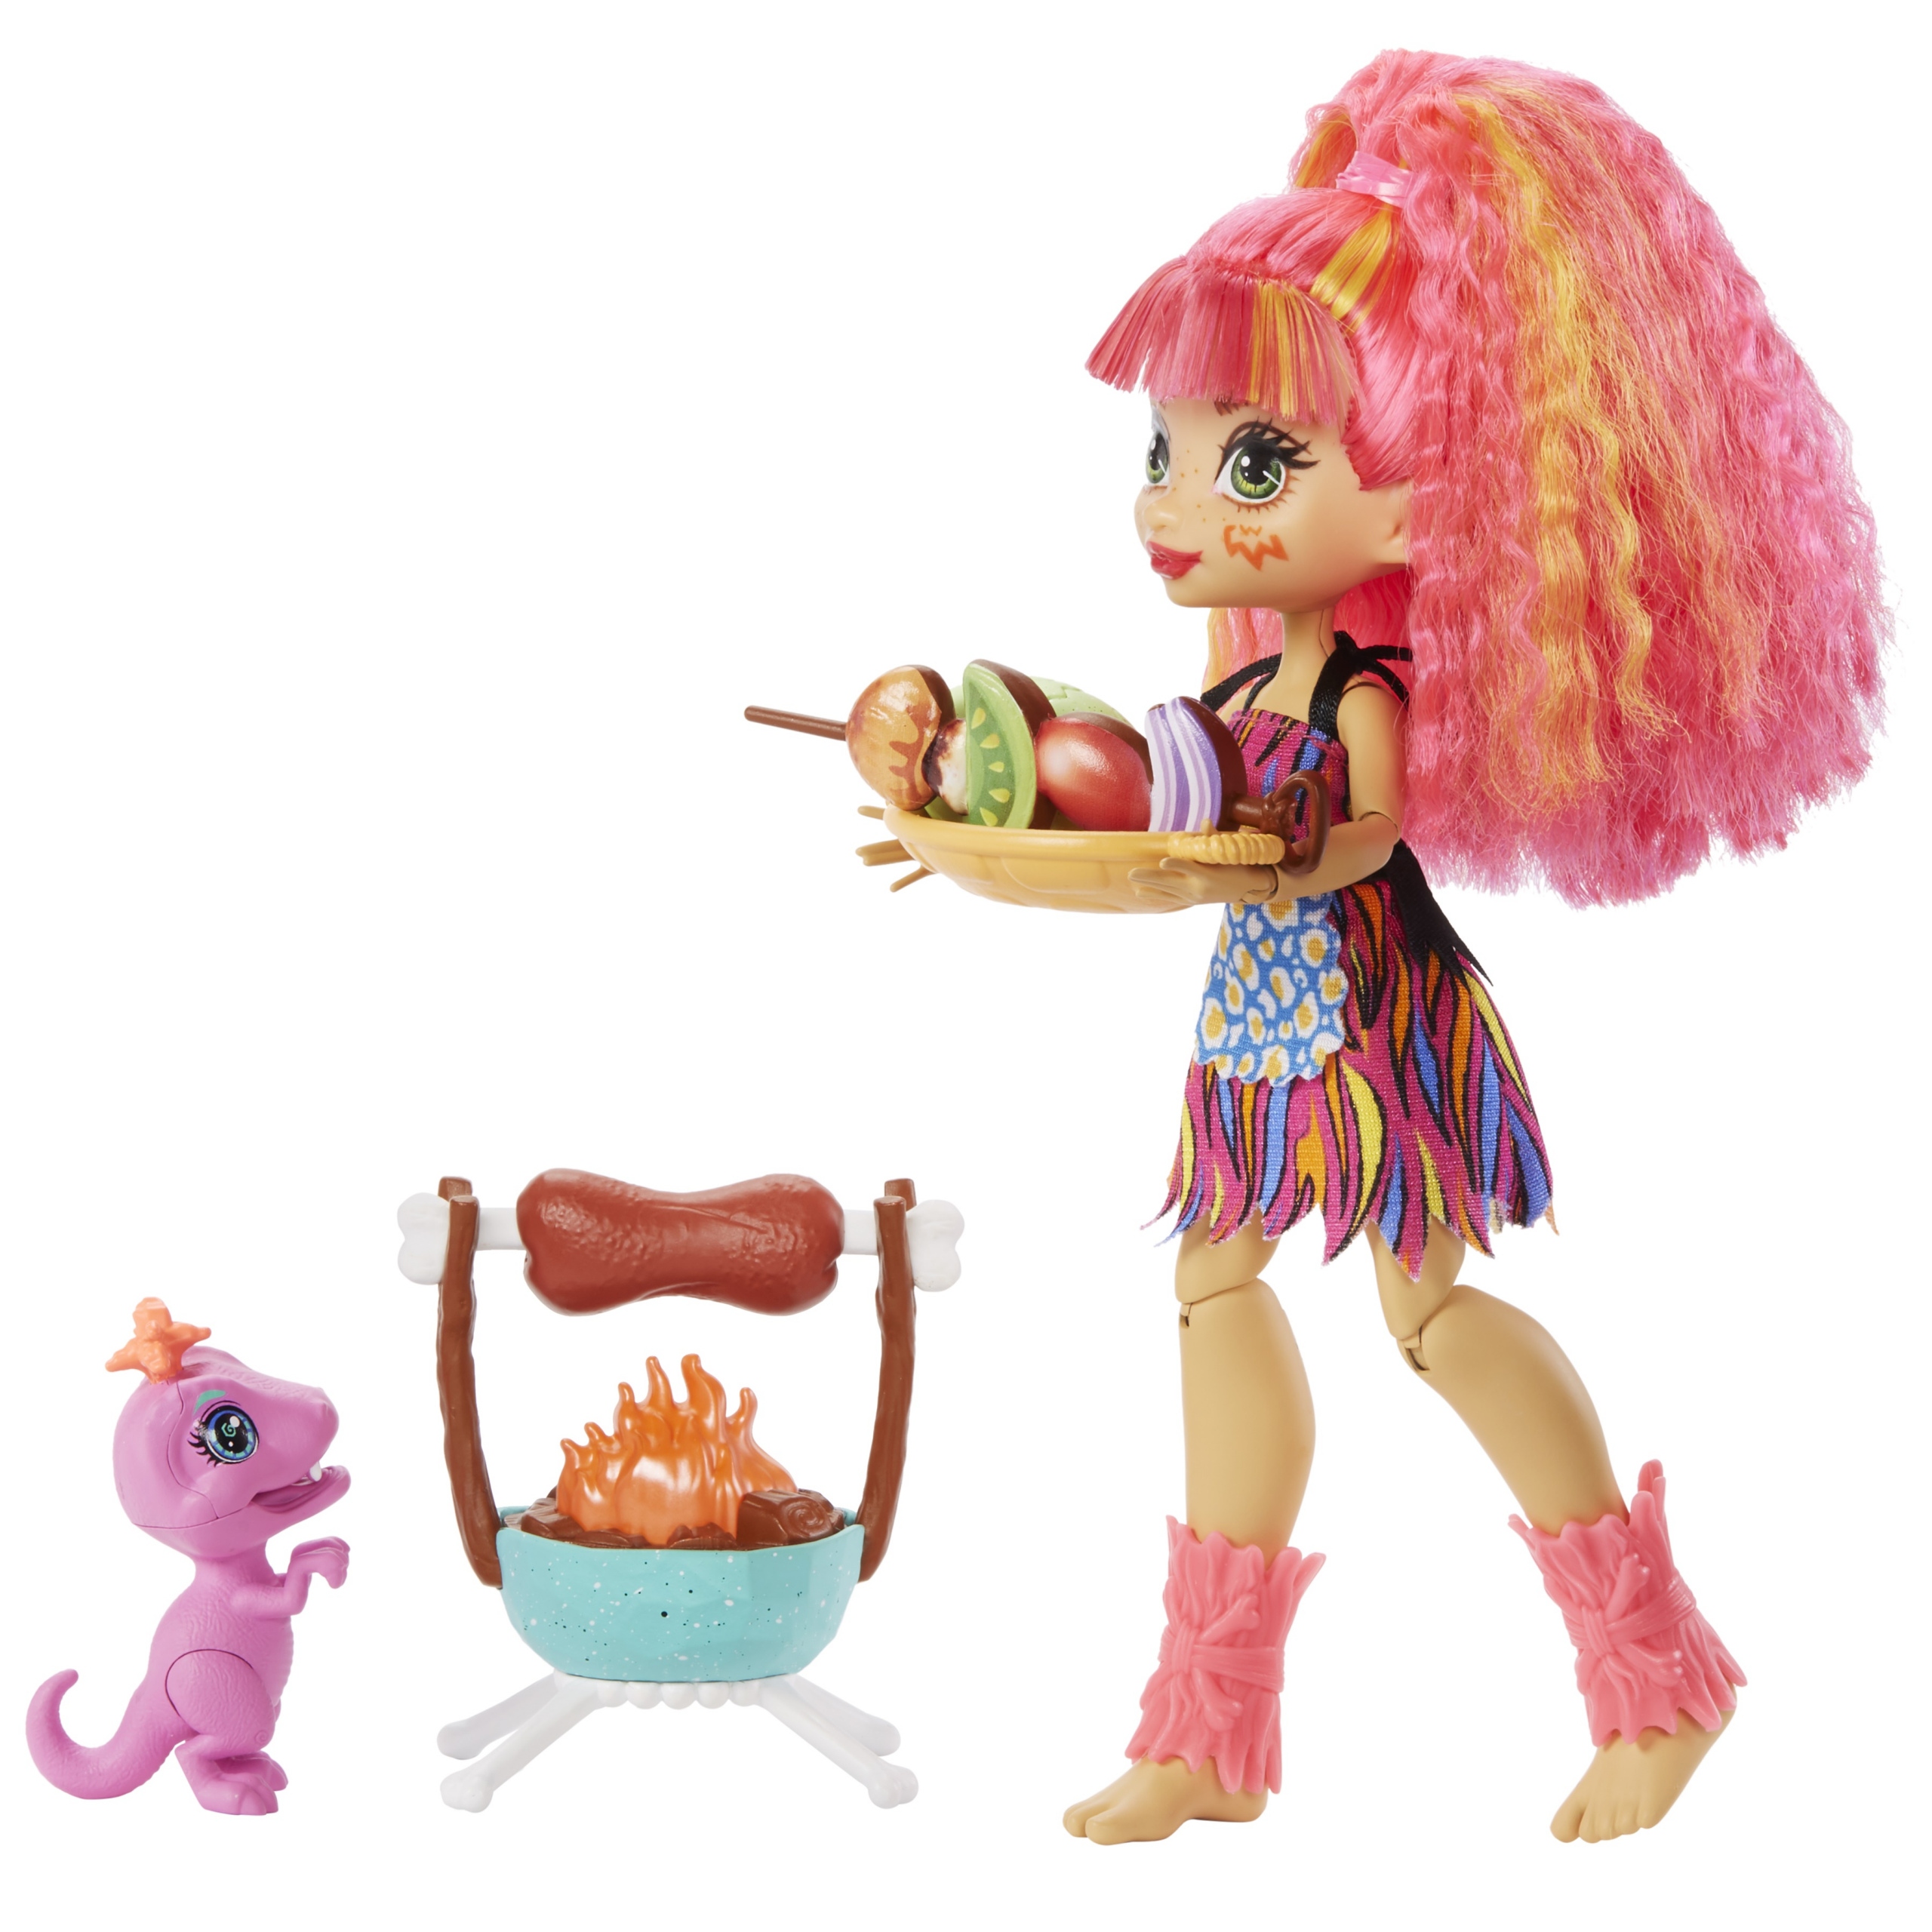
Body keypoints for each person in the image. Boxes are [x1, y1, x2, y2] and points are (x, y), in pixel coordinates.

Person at [1061, 48, 1885, 1846]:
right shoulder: (1236, 669)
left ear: (1413, 497)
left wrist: (1259, 849)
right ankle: (1207, 1728)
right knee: (1209, 1283)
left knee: (1424, 1314)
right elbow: (1163, 803)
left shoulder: (1352, 681)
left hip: (1369, 1011)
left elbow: (1361, 829)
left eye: (1252, 459)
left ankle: (1656, 1675)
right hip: (1251, 1019)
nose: (1176, 500)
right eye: (1165, 450)